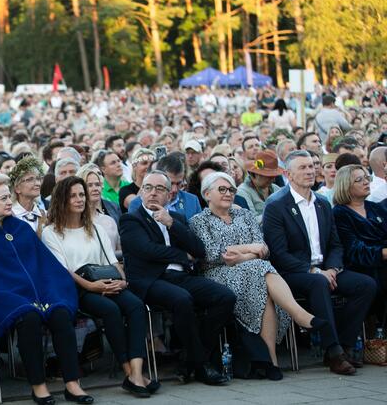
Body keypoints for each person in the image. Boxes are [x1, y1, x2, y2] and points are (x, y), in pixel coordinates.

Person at [0, 172, 92, 405]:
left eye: (9, 197)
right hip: (2, 297)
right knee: (28, 317)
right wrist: (15, 296)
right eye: (3, 198)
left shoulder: (19, 228)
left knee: (59, 312)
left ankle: (72, 383)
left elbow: (43, 265)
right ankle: (38, 386)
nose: (10, 202)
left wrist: (49, 289)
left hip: (39, 290)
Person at [190, 172, 326, 380]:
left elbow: (264, 249)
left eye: (231, 190)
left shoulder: (244, 214)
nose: (228, 193)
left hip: (253, 270)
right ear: (207, 194)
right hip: (217, 275)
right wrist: (249, 249)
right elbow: (212, 254)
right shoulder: (199, 221)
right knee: (261, 271)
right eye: (222, 189)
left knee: (262, 281)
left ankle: (270, 361)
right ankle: (297, 316)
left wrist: (242, 256)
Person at [263, 151, 377, 375]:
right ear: (288, 174)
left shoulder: (323, 203)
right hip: (293, 272)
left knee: (366, 285)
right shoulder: (276, 205)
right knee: (318, 283)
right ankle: (334, 352)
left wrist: (333, 268)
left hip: (326, 269)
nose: (309, 171)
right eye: (302, 168)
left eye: (310, 167)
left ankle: (342, 346)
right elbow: (278, 253)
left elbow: (335, 244)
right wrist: (313, 270)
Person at [41, 177, 157, 398]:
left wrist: (122, 281)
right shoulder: (51, 232)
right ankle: (129, 372)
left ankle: (137, 372)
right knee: (111, 310)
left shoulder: (95, 227)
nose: (79, 200)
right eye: (73, 195)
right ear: (61, 199)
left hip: (107, 282)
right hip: (80, 288)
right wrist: (91, 286)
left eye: (82, 195)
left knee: (136, 306)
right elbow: (65, 271)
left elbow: (113, 262)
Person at [119, 170, 235, 385]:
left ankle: (189, 359)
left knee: (225, 296)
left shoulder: (177, 219)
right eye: (148, 188)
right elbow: (147, 250)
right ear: (141, 192)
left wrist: (171, 223)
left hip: (181, 277)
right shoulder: (131, 220)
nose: (153, 193)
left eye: (160, 189)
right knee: (182, 299)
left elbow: (199, 250)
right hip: (151, 280)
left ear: (169, 195)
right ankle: (201, 365)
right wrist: (182, 255)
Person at [332, 164, 387, 320]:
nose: (366, 182)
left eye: (367, 178)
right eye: (359, 179)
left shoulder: (376, 208)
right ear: (346, 186)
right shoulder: (340, 213)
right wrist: (383, 253)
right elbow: (354, 251)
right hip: (358, 266)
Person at [128, 153, 203, 221]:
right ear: (159, 176)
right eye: (170, 183)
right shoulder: (138, 204)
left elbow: (198, 234)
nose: (174, 189)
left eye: (179, 184)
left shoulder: (192, 201)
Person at [237, 150, 283, 224]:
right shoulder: (242, 192)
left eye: (274, 176)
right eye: (268, 176)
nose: (273, 179)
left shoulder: (276, 188)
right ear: (254, 174)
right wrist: (275, 213)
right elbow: (251, 221)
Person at [8, 156, 47, 233]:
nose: (37, 183)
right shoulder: (9, 216)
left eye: (38, 178)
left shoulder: (45, 215)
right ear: (17, 188)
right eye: (30, 179)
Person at [119, 148, 155, 213]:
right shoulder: (125, 190)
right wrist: (148, 179)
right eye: (144, 163)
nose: (149, 166)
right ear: (134, 166)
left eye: (152, 164)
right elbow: (137, 206)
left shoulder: (158, 188)